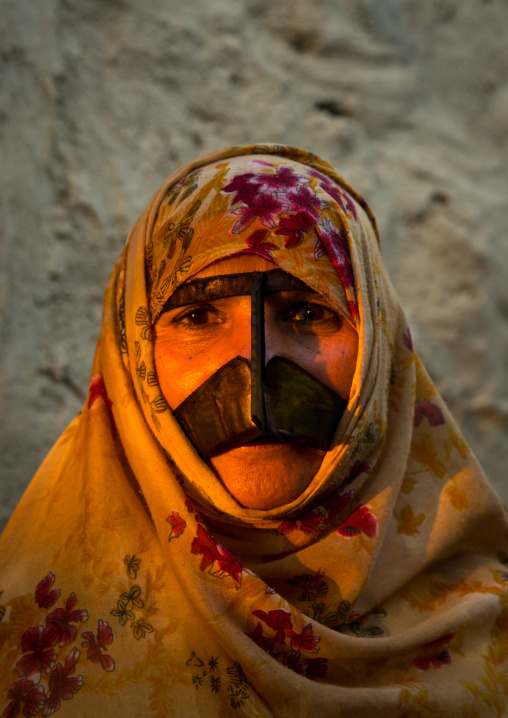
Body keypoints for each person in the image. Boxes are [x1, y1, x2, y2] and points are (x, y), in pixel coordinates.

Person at [0, 143, 507, 717]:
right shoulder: (29, 643)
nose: (253, 369)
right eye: (198, 317)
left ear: (380, 351)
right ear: (131, 356)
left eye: (307, 313)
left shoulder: (493, 647)